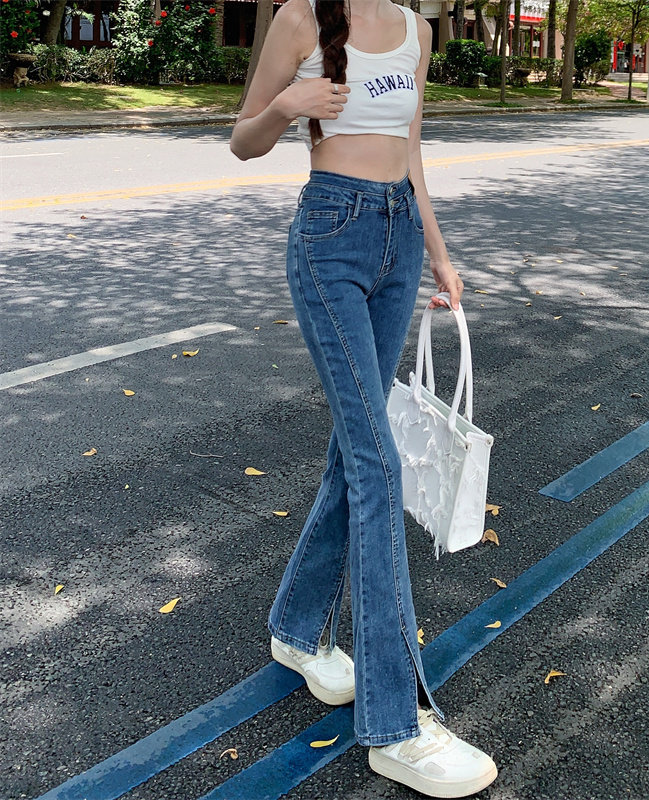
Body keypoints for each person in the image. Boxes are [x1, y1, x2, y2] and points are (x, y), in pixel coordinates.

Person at [229, 1, 498, 797]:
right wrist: (289, 104)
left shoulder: (418, 30)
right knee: (377, 465)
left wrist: (438, 252)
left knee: (357, 454)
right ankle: (394, 725)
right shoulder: (301, 19)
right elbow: (243, 140)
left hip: (398, 238)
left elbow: (410, 150)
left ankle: (297, 629)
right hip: (331, 235)